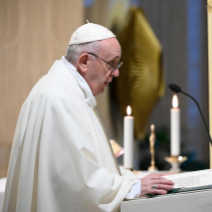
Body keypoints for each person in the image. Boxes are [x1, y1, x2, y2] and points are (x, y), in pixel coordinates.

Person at [2, 23, 174, 212]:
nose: (116, 73)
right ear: (84, 61)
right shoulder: (58, 97)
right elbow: (75, 180)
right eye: (112, 64)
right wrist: (133, 188)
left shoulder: (68, 92)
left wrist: (131, 181)